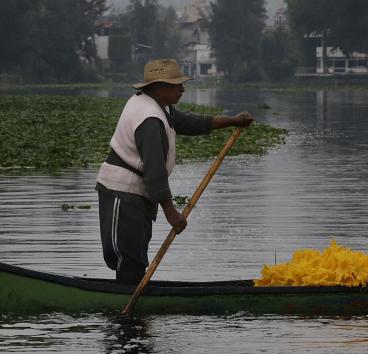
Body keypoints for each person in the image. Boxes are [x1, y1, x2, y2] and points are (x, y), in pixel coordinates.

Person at [95, 58, 255, 284]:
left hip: (137, 194)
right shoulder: (149, 117)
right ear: (159, 87)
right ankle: (127, 311)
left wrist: (232, 121)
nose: (182, 89)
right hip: (123, 191)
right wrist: (171, 213)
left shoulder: (158, 105)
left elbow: (188, 122)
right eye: (176, 85)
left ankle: (132, 304)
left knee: (135, 258)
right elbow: (155, 171)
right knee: (127, 258)